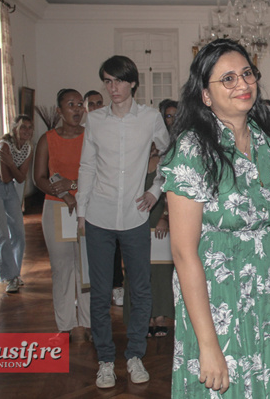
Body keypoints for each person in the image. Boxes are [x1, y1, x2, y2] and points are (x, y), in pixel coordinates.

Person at [161, 39, 270, 397]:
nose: (243, 84)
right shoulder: (192, 149)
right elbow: (183, 252)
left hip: (268, 286)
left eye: (247, 74)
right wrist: (208, 344)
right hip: (217, 294)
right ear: (205, 95)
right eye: (228, 78)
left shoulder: (264, 142)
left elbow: (269, 221)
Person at [77, 55, 170, 388]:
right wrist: (82, 212)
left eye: (118, 81)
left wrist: (156, 191)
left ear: (132, 82)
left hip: (134, 216)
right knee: (101, 293)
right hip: (100, 216)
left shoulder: (150, 118)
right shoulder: (95, 120)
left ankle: (134, 355)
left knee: (140, 289)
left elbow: (169, 157)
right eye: (107, 81)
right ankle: (105, 360)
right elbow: (86, 167)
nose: (112, 88)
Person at [33, 88, 92, 339]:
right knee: (61, 267)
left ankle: (89, 324)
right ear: (59, 111)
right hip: (56, 208)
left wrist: (73, 186)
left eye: (80, 104)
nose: (77, 109)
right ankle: (65, 325)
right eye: (71, 104)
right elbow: (39, 178)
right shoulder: (47, 139)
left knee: (86, 268)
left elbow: (98, 173)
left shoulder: (91, 137)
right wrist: (63, 194)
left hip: (87, 207)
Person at [123, 99, 178, 338]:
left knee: (162, 270)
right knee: (138, 269)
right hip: (134, 217)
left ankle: (161, 315)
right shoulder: (131, 160)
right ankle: (142, 315)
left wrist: (165, 217)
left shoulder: (169, 157)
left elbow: (173, 190)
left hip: (161, 217)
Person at [0, 114, 34, 294]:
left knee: (18, 233)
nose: (27, 131)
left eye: (29, 127)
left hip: (9, 189)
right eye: (23, 127)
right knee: (1, 234)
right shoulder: (3, 146)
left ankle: (16, 274)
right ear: (14, 129)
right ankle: (10, 277)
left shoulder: (27, 148)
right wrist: (12, 165)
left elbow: (20, 178)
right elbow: (5, 177)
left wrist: (11, 164)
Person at [84, 89, 126, 306]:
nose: (96, 107)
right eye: (91, 104)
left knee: (116, 248)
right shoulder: (87, 130)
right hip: (91, 200)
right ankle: (92, 294)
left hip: (113, 197)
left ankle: (118, 286)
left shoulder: (111, 127)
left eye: (99, 103)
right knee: (93, 256)